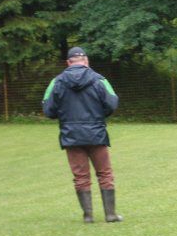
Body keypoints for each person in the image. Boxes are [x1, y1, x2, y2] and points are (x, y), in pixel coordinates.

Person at [42, 47, 122, 223]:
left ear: (68, 63)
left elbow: (48, 109)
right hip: (96, 134)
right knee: (105, 173)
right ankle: (110, 214)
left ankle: (88, 216)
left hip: (71, 136)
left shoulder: (56, 82)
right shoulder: (100, 79)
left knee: (81, 177)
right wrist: (99, 116)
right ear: (86, 61)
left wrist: (63, 116)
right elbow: (112, 102)